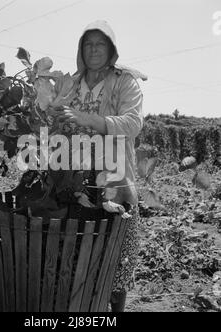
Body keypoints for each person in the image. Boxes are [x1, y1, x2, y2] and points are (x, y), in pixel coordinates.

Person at [56, 20, 147, 312]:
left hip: (115, 177)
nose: (93, 49)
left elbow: (133, 123)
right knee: (78, 252)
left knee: (117, 256)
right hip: (76, 177)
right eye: (88, 44)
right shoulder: (71, 83)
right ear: (81, 49)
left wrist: (89, 120)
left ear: (111, 49)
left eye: (100, 43)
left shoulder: (124, 81)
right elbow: (56, 119)